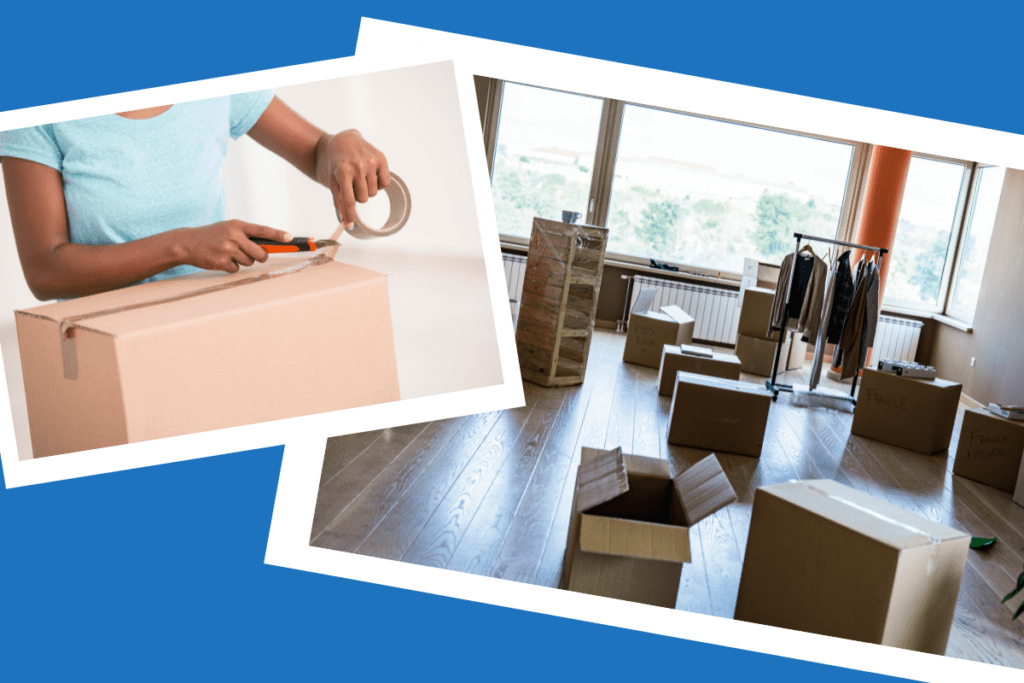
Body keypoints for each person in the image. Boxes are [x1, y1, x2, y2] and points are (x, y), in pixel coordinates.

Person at [0, 90, 389, 300]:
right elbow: (44, 272)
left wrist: (341, 141)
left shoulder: (212, 77)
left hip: (207, 313)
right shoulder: (37, 108)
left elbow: (318, 152)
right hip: (103, 338)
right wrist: (183, 245)